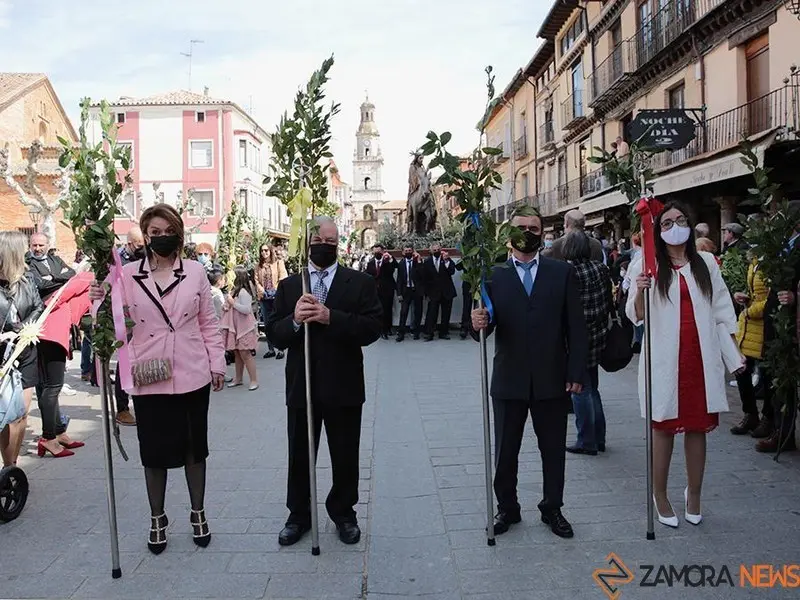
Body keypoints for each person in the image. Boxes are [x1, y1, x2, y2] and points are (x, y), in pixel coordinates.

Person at [90, 203, 225, 554]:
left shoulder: (195, 272)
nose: (162, 238)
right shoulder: (127, 274)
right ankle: (157, 518)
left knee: (195, 448)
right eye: (155, 233)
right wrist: (97, 298)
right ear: (145, 237)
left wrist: (217, 364)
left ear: (179, 234)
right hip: (150, 373)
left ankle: (198, 513)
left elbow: (208, 322)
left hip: (192, 373)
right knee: (153, 452)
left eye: (168, 232)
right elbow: (110, 318)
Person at [471, 205, 588, 539]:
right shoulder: (491, 275)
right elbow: (484, 326)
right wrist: (476, 323)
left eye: (534, 228)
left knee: (552, 450)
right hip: (509, 379)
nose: (528, 233)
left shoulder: (560, 272)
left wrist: (576, 370)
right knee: (505, 451)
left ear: (542, 233)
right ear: (509, 234)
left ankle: (553, 507)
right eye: (521, 227)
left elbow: (575, 327)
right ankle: (507, 507)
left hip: (552, 378)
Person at [626, 202, 743, 528]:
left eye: (680, 220)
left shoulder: (706, 262)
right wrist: (639, 292)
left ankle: (694, 492)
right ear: (657, 231)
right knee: (663, 426)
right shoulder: (646, 264)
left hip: (698, 356)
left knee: (697, 427)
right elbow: (633, 315)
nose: (675, 226)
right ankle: (659, 494)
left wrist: (733, 355)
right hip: (665, 357)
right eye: (667, 223)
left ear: (690, 225)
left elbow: (722, 311)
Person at [267, 216, 382, 547]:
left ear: (339, 244)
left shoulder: (359, 282)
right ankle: (298, 515)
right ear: (307, 242)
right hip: (301, 387)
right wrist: (293, 321)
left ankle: (344, 512)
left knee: (345, 454)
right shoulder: (292, 286)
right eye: (319, 240)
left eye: (331, 242)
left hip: (344, 385)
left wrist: (333, 318)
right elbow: (275, 333)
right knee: (300, 453)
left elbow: (373, 328)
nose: (325, 246)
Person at [562, 232, 613, 456]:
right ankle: (599, 437)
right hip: (599, 334)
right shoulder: (601, 269)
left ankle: (586, 440)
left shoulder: (569, 272)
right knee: (593, 388)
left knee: (580, 390)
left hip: (577, 340)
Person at [759, 200, 800, 452]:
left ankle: (784, 433)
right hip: (776, 323)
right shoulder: (784, 246)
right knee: (776, 378)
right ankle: (779, 428)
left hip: (790, 326)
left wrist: (796, 298)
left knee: (784, 379)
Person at [0, 231, 44, 467]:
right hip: (2, 356)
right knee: (5, 415)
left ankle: (13, 466)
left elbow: (38, 306)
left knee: (21, 413)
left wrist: (24, 328)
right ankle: (9, 467)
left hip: (25, 351)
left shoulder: (26, 279)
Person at [730, 255, 774, 438]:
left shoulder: (773, 258)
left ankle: (768, 418)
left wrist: (751, 310)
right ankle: (750, 414)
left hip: (764, 324)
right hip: (750, 326)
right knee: (741, 370)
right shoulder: (755, 260)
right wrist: (745, 299)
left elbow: (771, 298)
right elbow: (757, 294)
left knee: (767, 376)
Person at [221, 267, 259, 391]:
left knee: (245, 353)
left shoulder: (244, 292)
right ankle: (238, 378)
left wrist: (233, 304)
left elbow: (247, 310)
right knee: (237, 352)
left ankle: (254, 380)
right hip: (236, 327)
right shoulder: (234, 291)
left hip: (245, 328)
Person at [255, 244, 289, 359]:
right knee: (267, 323)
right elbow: (256, 280)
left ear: (270, 251)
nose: (264, 253)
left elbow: (283, 277)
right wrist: (262, 291)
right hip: (264, 298)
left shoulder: (278, 263)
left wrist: (276, 289)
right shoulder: (258, 266)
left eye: (266, 250)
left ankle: (280, 349)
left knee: (278, 322)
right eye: (262, 250)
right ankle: (271, 349)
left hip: (276, 296)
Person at [422, 242, 456, 341]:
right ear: (431, 251)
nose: (436, 251)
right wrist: (426, 293)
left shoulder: (446, 259)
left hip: (447, 291)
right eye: (435, 250)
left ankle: (444, 332)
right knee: (432, 313)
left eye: (438, 250)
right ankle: (429, 333)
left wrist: (446, 261)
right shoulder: (427, 262)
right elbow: (425, 279)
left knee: (446, 313)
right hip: (433, 292)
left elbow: (452, 271)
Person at [365, 243, 397, 340]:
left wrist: (390, 260)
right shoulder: (370, 263)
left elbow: (394, 268)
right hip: (376, 291)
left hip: (387, 289)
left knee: (388, 309)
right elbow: (369, 276)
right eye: (375, 252)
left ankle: (388, 328)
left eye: (379, 252)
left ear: (383, 251)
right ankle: (380, 329)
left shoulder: (388, 260)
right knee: (378, 310)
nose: (377, 253)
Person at [395, 244, 424, 342]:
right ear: (403, 252)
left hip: (417, 290)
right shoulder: (401, 264)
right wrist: (399, 293)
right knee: (403, 312)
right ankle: (401, 333)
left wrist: (419, 261)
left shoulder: (418, 261)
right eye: (406, 251)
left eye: (410, 250)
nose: (408, 252)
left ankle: (416, 332)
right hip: (405, 290)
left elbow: (422, 275)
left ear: (413, 251)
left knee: (418, 312)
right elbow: (399, 280)